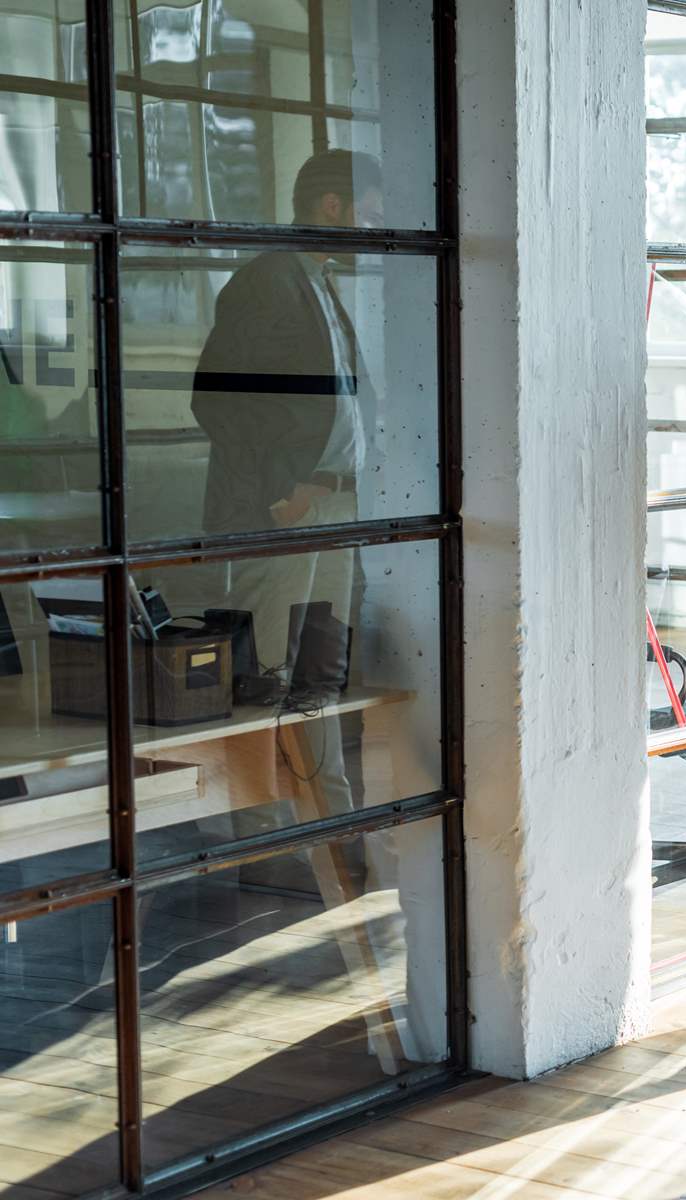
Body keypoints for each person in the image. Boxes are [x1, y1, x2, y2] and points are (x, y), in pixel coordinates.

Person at [190, 148, 383, 816]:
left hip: (329, 504)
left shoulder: (318, 280)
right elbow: (218, 401)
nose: (376, 226)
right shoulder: (266, 282)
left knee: (317, 676)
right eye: (370, 212)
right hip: (290, 510)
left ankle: (331, 829)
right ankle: (264, 837)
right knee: (267, 678)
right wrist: (287, 488)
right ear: (332, 207)